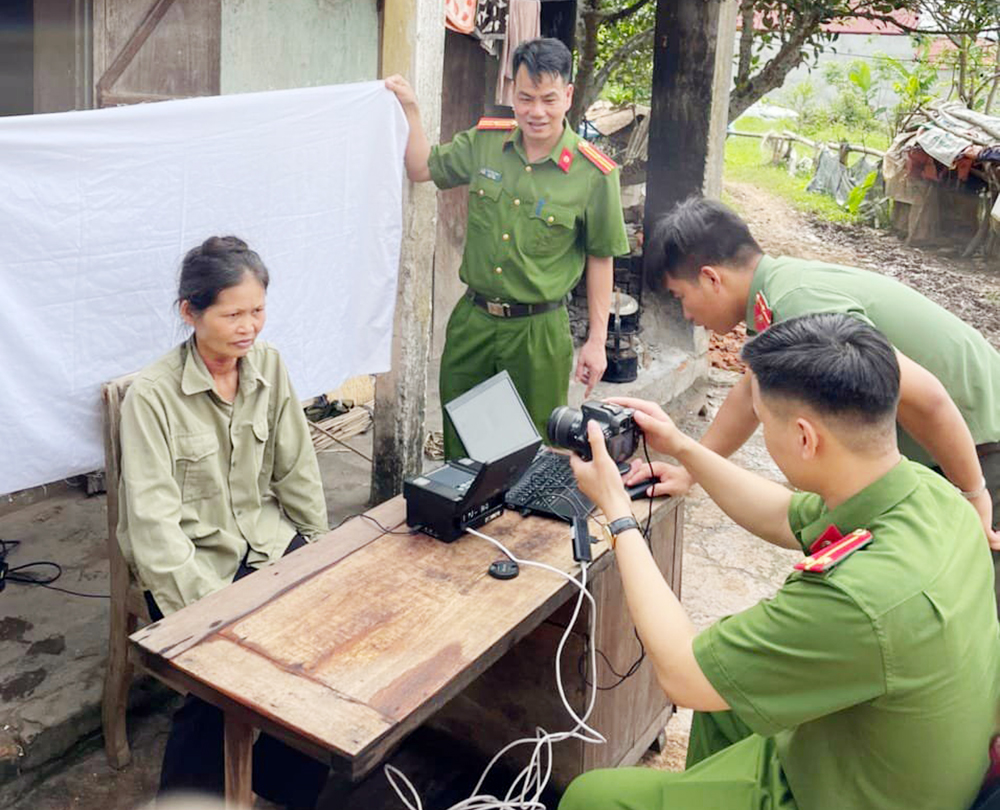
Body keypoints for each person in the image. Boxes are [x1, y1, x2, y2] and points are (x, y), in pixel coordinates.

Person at [564, 313, 1000, 810]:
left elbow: (683, 675)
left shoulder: (860, 598)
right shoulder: (930, 494)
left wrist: (618, 515)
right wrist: (681, 447)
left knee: (593, 796)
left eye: (764, 423)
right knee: (726, 699)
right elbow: (784, 514)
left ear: (804, 438)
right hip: (902, 756)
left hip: (858, 793)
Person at [630, 196, 1000, 558]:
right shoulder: (776, 294)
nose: (687, 314)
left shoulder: (798, 302)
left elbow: (926, 396)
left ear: (711, 278)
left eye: (680, 297)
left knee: (981, 597)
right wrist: (690, 472)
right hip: (961, 447)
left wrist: (974, 493)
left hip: (981, 449)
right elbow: (749, 395)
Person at [118, 236, 330, 808]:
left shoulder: (269, 366)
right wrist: (213, 616)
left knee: (325, 638)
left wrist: (322, 554)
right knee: (218, 685)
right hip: (190, 566)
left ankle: (281, 782)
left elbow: (297, 469)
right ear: (190, 312)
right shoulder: (152, 397)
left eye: (257, 311)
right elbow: (154, 529)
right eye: (232, 313)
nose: (248, 328)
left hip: (262, 541)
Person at [385, 37, 630, 458]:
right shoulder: (486, 143)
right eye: (525, 97)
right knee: (463, 448)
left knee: (532, 452)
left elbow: (600, 257)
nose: (536, 111)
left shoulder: (593, 173)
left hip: (538, 334)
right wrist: (410, 108)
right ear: (511, 93)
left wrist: (596, 339)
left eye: (549, 99)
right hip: (473, 323)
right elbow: (421, 166)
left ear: (568, 96)